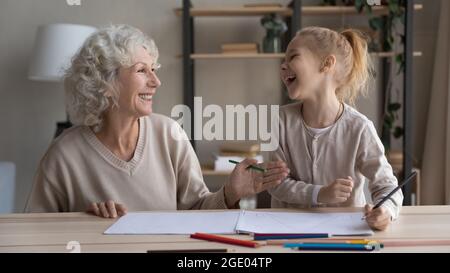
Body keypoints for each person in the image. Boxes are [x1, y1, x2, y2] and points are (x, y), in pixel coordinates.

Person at [25, 24, 289, 218]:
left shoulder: (170, 134)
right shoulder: (64, 154)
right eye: (142, 70)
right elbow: (35, 233)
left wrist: (231, 192)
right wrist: (82, 221)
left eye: (154, 69)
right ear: (106, 82)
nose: (156, 81)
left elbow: (196, 210)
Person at [268, 26, 403, 230]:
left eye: (293, 57)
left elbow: (387, 186)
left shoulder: (359, 128)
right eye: (283, 61)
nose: (283, 66)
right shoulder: (277, 121)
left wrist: (386, 211)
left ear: (327, 63)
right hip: (285, 233)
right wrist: (319, 193)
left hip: (344, 238)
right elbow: (275, 183)